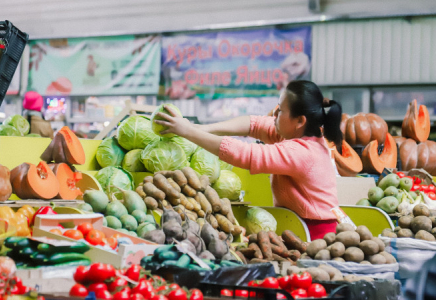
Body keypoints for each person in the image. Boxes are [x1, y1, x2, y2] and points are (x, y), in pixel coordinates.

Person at [154, 80, 343, 240]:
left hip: (315, 234)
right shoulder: (295, 134)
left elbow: (247, 154)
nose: (274, 115)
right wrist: (201, 128)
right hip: (297, 226)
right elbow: (255, 124)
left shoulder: (303, 152)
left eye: (281, 111)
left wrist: (188, 132)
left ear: (300, 121)